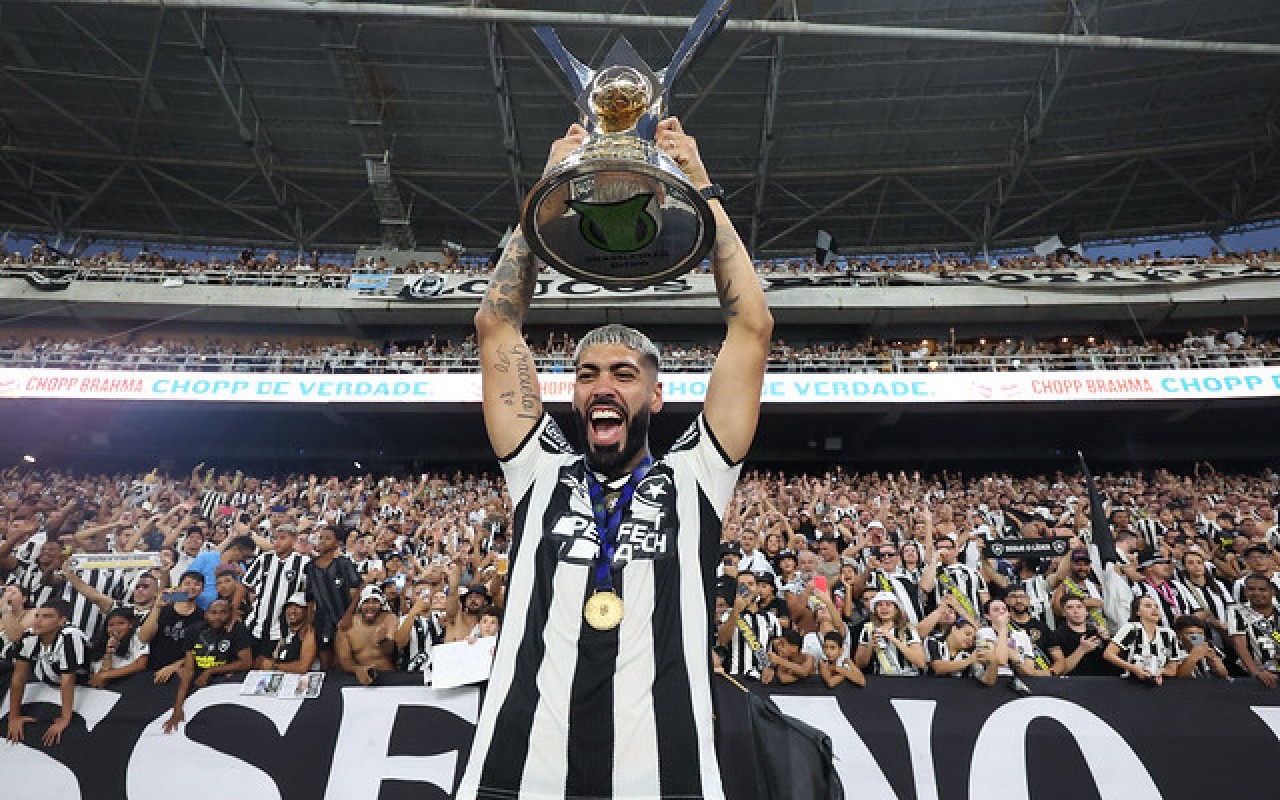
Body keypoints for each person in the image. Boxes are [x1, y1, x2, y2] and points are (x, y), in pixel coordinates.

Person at [459, 116, 772, 800]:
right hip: (517, 777)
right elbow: (496, 323)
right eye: (588, 374)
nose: (603, 387)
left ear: (656, 395)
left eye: (624, 375)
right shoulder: (539, 467)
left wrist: (699, 183)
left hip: (668, 780)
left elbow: (752, 326)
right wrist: (550, 185)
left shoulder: (696, 475)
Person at [161, 597, 253, 733]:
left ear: (230, 614)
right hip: (199, 683)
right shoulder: (193, 631)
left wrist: (210, 671)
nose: (218, 617)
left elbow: (246, 662)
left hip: (226, 684)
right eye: (213, 612)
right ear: (206, 614)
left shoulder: (238, 630)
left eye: (223, 612)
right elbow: (188, 670)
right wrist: (178, 708)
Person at [6, 600, 87, 745]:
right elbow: (18, 678)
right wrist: (13, 717)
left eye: (47, 616)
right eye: (37, 616)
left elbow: (68, 680)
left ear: (62, 621)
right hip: (48, 678)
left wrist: (65, 718)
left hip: (83, 682)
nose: (38, 621)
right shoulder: (29, 637)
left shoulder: (70, 636)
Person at [243, 524, 309, 664]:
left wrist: (307, 623)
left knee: (269, 665)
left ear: (293, 541)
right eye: (275, 538)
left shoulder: (303, 562)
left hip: (282, 629)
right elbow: (245, 585)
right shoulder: (264, 559)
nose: (277, 542)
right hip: (255, 625)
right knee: (249, 665)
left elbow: (309, 595)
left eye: (282, 538)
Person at [303, 525, 361, 670]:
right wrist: (309, 623)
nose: (322, 541)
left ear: (337, 543)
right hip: (322, 620)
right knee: (325, 662)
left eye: (328, 538)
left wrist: (348, 615)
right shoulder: (310, 567)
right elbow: (310, 598)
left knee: (343, 660)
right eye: (321, 538)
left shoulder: (344, 564)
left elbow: (357, 591)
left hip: (343, 618)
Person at [138, 570, 205, 681]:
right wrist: (157, 607)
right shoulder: (162, 609)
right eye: (187, 583)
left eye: (197, 584)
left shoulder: (203, 617)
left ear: (202, 590)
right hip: (152, 670)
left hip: (180, 673)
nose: (192, 587)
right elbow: (143, 638)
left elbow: (199, 651)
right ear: (178, 588)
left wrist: (175, 666)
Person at [1103, 596, 1184, 685]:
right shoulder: (1131, 629)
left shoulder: (1169, 634)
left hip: (1158, 684)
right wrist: (1134, 668)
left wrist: (1160, 672)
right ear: (1137, 612)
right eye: (1148, 606)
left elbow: (1172, 669)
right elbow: (1108, 654)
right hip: (1129, 682)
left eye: (1156, 606)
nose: (1154, 609)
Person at [335, 585, 397, 686]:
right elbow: (344, 659)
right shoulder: (348, 626)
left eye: (375, 601)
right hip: (358, 678)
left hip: (388, 675)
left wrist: (383, 640)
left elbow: (391, 652)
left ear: (381, 604)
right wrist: (357, 669)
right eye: (366, 601)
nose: (370, 606)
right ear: (360, 604)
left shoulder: (389, 619)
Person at [1228, 572, 1280, 688]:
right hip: (1257, 674)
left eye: (1262, 590)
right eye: (1251, 589)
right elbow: (1239, 644)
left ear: (1273, 592)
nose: (1256, 593)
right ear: (1245, 592)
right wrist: (1256, 672)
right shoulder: (1237, 611)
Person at [855, 592, 926, 676]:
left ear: (896, 609)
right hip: (881, 678)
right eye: (879, 605)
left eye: (888, 604)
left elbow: (921, 662)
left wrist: (893, 638)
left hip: (908, 677)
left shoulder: (908, 629)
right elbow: (859, 664)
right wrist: (870, 647)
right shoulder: (868, 628)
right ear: (875, 610)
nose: (884, 608)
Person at [1049, 595, 1115, 676]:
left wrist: (1108, 640)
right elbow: (1059, 671)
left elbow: (1115, 663)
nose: (1076, 611)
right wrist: (1082, 649)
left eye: (1079, 607)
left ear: (1086, 611)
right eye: (1070, 607)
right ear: (1063, 613)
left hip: (1104, 679)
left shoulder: (1097, 631)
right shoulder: (1056, 636)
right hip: (1075, 681)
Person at [87, 606, 149, 688]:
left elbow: (141, 664)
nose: (115, 628)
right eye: (111, 625)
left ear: (131, 624)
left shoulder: (138, 635)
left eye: (121, 623)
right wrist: (109, 653)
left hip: (132, 684)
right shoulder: (101, 643)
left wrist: (105, 675)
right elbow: (100, 682)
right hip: (108, 689)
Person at [261, 592, 316, 674]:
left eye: (298, 607)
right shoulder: (285, 633)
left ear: (306, 611)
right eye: (289, 607)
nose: (292, 611)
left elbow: (303, 667)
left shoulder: (308, 633)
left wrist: (274, 666)